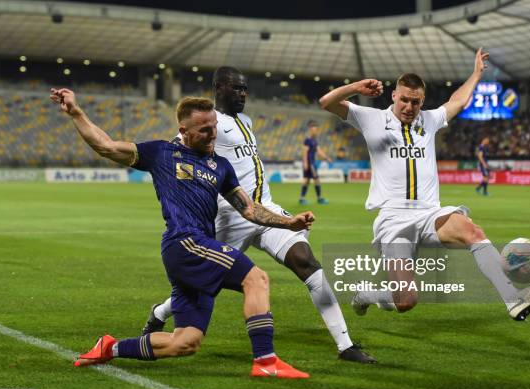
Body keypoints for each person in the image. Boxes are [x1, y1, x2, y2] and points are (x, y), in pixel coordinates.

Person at [50, 89, 312, 378]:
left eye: (214, 127)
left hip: (195, 249)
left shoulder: (221, 166)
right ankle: (266, 362)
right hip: (185, 242)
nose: (213, 134)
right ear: (183, 131)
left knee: (185, 342)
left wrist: (288, 223)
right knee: (257, 279)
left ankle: (109, 348)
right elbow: (107, 146)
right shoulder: (162, 153)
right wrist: (76, 112)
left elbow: (249, 210)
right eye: (204, 130)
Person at [143, 66, 376, 364]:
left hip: (266, 211)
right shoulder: (210, 124)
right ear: (218, 88)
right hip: (231, 216)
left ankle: (346, 346)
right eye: (235, 88)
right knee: (203, 286)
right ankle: (161, 312)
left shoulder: (246, 121)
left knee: (307, 263)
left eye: (244, 89)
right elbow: (178, 147)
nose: (242, 94)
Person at [319, 48, 530, 321]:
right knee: (405, 300)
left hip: (431, 213)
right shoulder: (372, 119)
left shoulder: (428, 120)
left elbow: (458, 101)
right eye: (404, 100)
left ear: (422, 102)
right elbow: (327, 102)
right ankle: (367, 295)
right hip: (394, 220)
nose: (409, 107)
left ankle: (514, 300)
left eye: (415, 102)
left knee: (473, 231)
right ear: (394, 96)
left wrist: (476, 74)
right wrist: (356, 87)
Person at [299, 120, 332, 204]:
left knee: (307, 180)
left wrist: (327, 158)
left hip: (312, 163)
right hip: (310, 163)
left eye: (316, 130)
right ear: (310, 130)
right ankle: (319, 198)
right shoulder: (308, 140)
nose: (315, 131)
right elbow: (305, 152)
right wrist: (306, 163)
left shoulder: (314, 140)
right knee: (316, 180)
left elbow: (319, 151)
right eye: (313, 130)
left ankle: (302, 198)